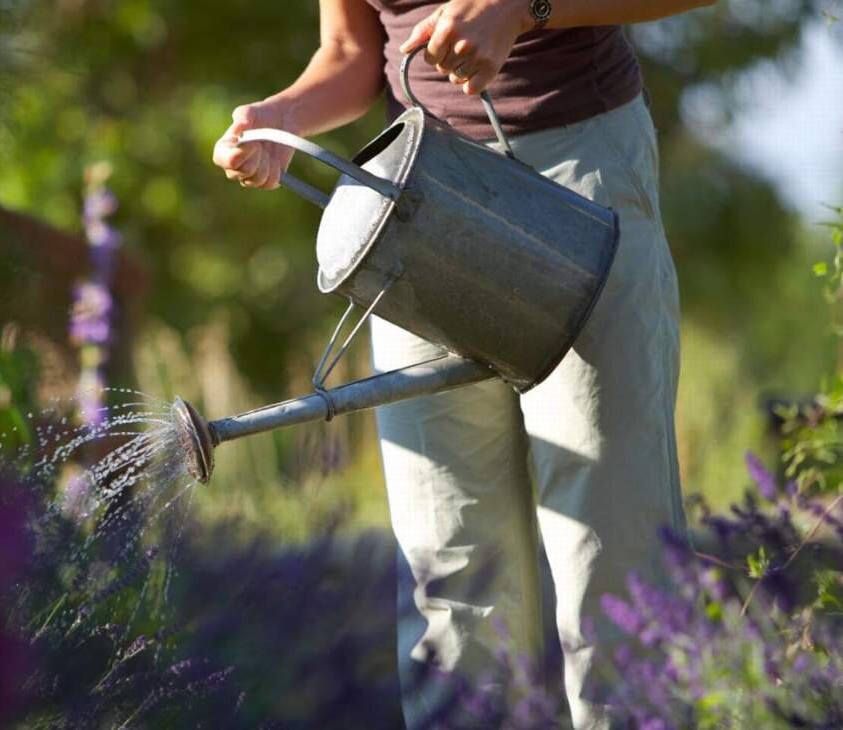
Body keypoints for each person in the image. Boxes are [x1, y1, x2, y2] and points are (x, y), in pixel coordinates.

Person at [213, 1, 713, 727]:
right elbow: (353, 48)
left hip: (576, 169)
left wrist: (523, 10)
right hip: (417, 195)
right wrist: (284, 114)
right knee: (450, 571)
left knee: (612, 549)